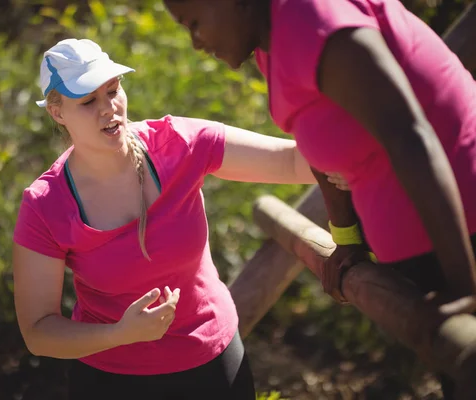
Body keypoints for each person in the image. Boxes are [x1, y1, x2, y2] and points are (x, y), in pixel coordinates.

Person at [162, 0, 476, 397]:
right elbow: (319, 145)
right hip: (426, 253)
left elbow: (409, 135)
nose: (195, 42)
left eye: (194, 23)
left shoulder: (314, 19)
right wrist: (346, 237)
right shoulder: (268, 43)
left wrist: (463, 283)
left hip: (464, 230)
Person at [12, 37, 339, 400]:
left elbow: (290, 161)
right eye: (88, 101)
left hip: (213, 365)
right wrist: (121, 333)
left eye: (113, 90)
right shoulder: (45, 204)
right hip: (110, 380)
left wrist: (357, 153)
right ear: (57, 113)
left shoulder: (180, 143)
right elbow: (38, 331)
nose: (109, 108)